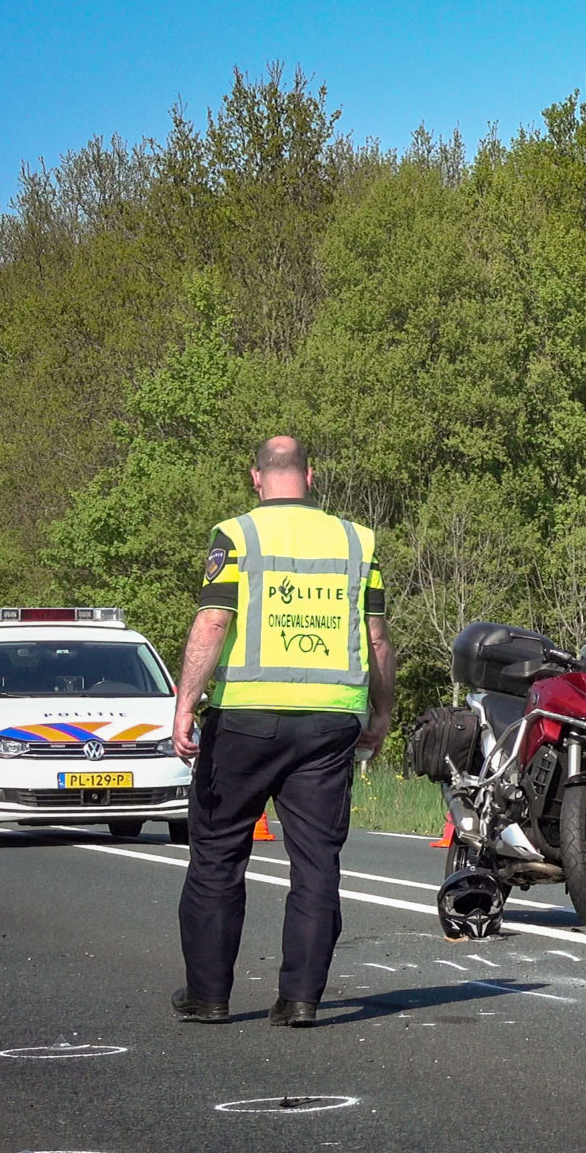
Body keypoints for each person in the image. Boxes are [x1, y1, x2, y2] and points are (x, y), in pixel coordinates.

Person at [169, 436, 394, 1027]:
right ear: (311, 476)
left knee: (218, 855)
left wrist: (185, 704)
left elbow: (213, 621)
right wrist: (382, 711)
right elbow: (376, 640)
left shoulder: (237, 534)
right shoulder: (356, 541)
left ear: (256, 478)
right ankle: (300, 1000)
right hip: (329, 723)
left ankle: (209, 997)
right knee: (316, 863)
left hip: (245, 719)